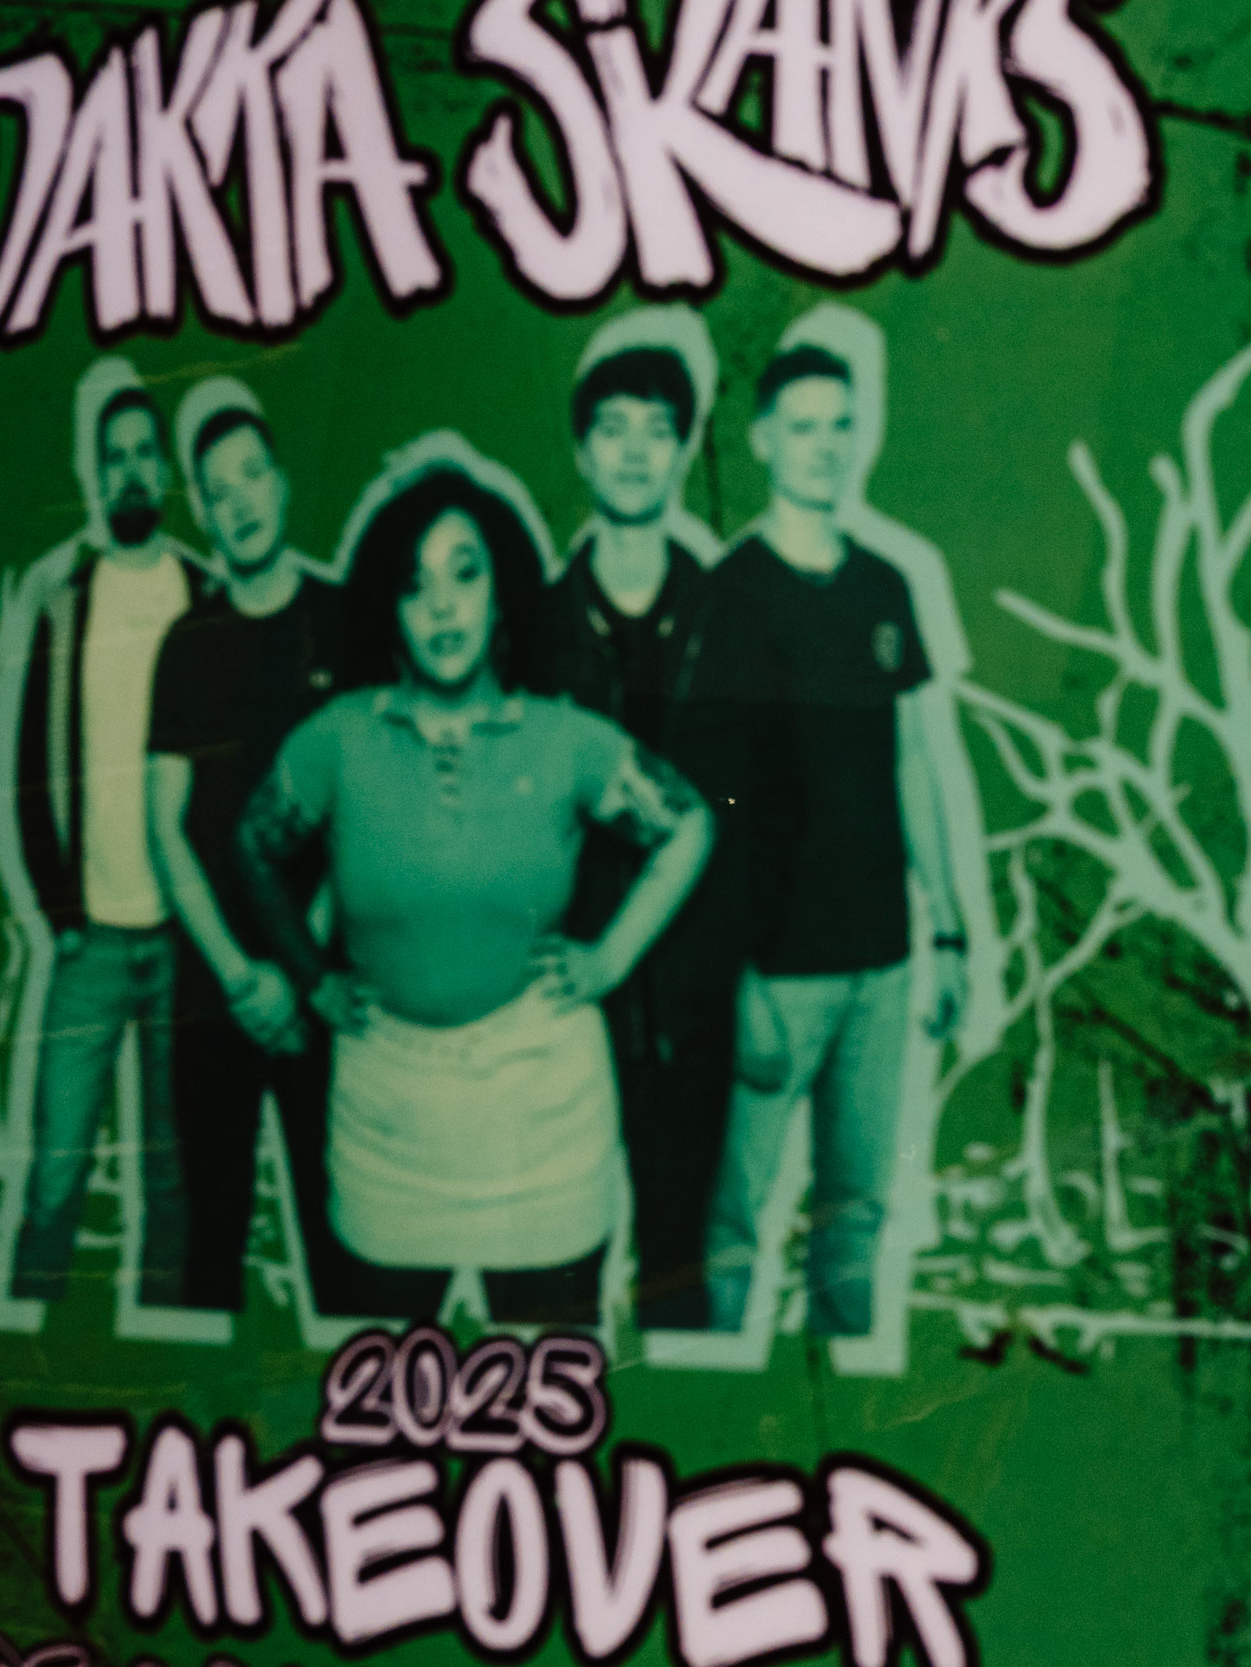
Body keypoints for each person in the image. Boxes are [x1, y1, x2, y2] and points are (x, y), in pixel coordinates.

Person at [237, 436, 713, 1326]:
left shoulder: (561, 737)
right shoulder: (338, 737)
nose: (442, 605)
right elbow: (254, 847)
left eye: (465, 573)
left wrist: (609, 960)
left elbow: (690, 823)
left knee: (545, 1404)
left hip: (543, 1116)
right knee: (381, 1408)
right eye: (416, 585)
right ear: (389, 610)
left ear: (502, 601)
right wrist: (312, 978)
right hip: (387, 1121)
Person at [683, 346, 968, 1337]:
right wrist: (736, 974)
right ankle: (706, 1416)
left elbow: (912, 765)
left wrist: (952, 933)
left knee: (854, 1219)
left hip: (881, 965)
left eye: (839, 424)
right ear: (761, 440)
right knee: (728, 1224)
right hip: (774, 969)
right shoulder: (730, 593)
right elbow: (705, 807)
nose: (823, 446)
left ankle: (837, 1422)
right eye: (801, 426)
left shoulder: (884, 585)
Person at [534, 309, 737, 1330]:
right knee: (557, 1263)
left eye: (657, 428)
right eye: (612, 426)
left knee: (677, 1263)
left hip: (693, 994)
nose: (633, 449)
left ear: (687, 448)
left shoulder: (723, 608)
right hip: (562, 986)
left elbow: (748, 800)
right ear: (580, 448)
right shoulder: (534, 620)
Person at [144, 378, 358, 1314]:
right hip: (213, 996)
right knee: (210, 1262)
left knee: (344, 1253)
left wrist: (294, 965)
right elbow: (165, 825)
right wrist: (239, 973)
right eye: (217, 492)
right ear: (202, 509)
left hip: (323, 991)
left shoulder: (344, 621)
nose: (238, 504)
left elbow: (368, 809)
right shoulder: (185, 642)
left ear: (280, 482)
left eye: (250, 478)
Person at [9, 359, 209, 1306]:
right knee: (54, 1172)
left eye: (144, 455)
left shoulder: (206, 597)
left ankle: (162, 1383)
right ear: (95, 476)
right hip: (90, 940)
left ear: (165, 472)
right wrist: (60, 914)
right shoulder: (61, 597)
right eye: (114, 457)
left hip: (182, 943)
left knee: (173, 1186)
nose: (130, 472)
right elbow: (21, 771)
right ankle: (18, 1356)